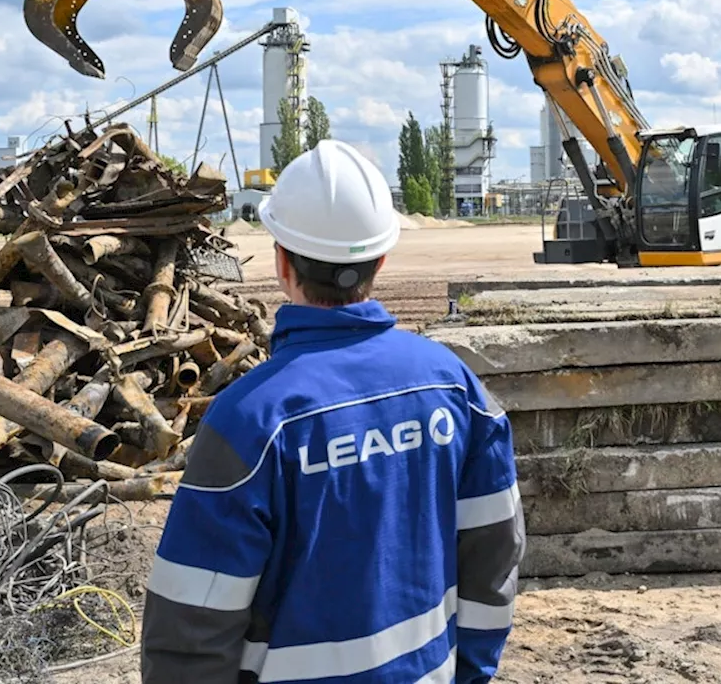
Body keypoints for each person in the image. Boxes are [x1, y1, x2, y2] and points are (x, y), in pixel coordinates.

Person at [141, 139, 526, 684]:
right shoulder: (455, 387)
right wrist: (471, 673)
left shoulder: (248, 420)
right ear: (382, 258)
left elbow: (191, 622)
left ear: (280, 262)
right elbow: (495, 552)